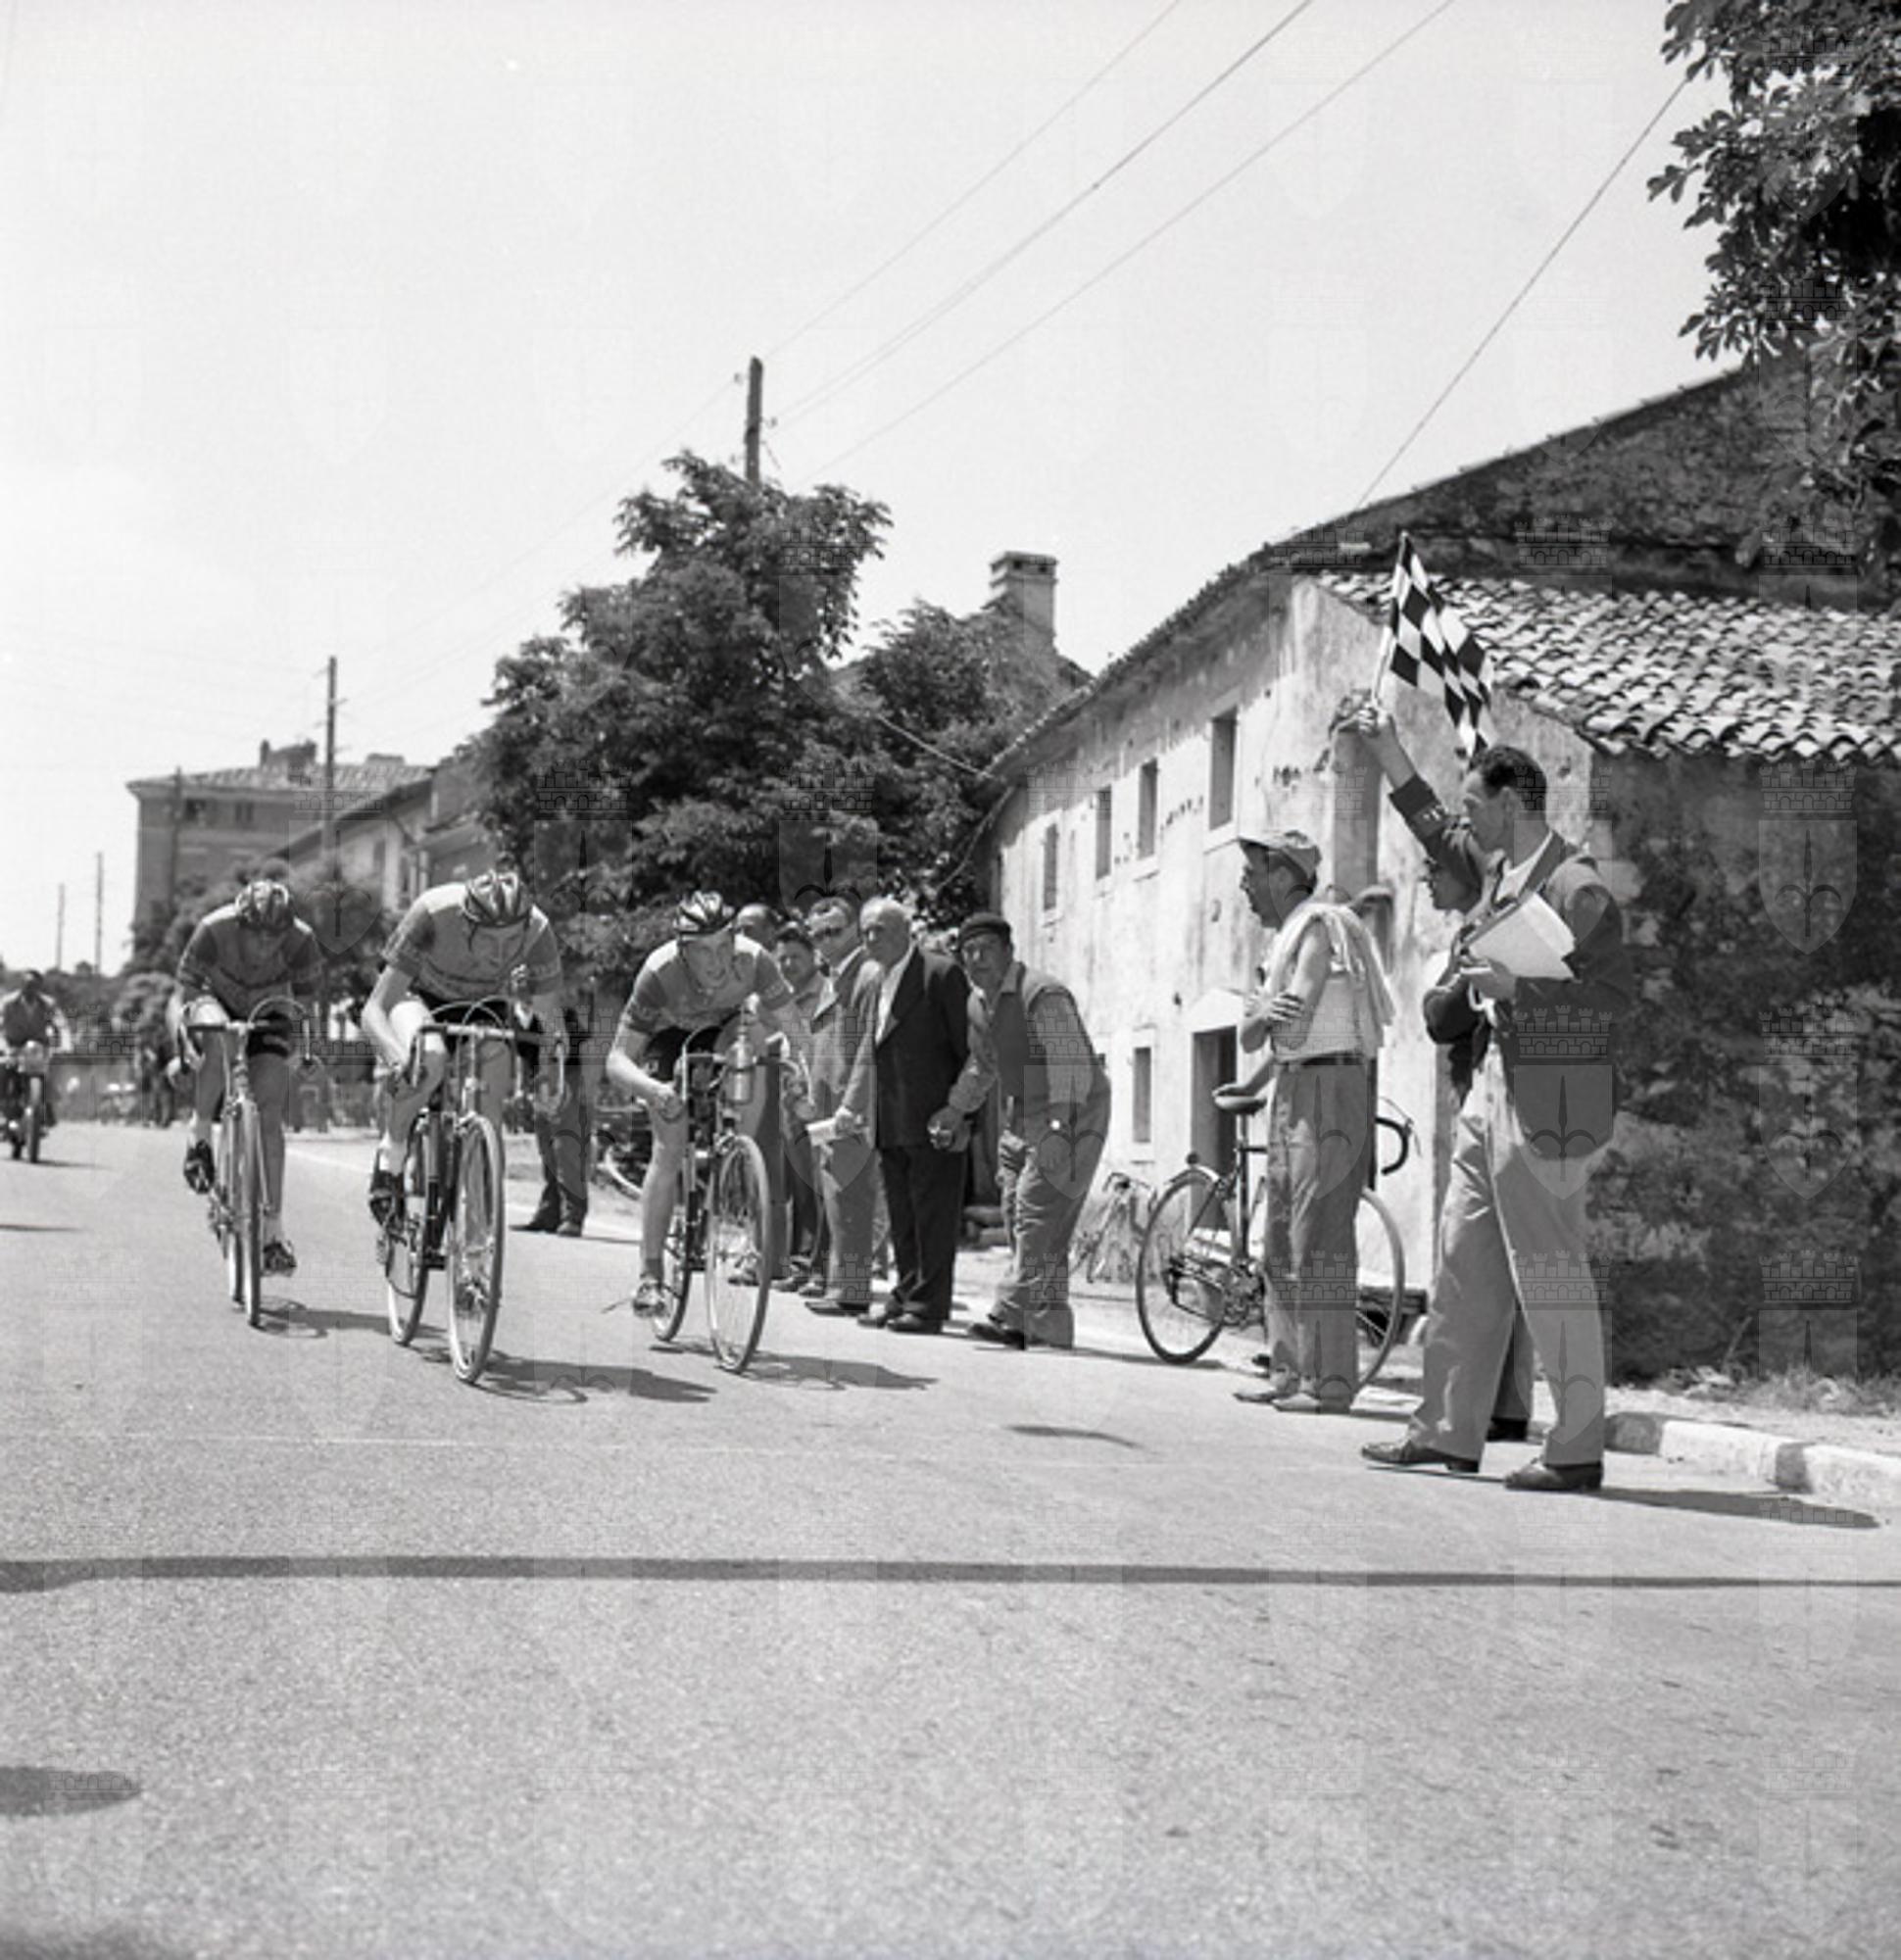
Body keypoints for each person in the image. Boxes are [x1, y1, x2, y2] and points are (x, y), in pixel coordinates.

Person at [1354, 706, 1634, 1492]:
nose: (1466, 817)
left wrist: (1520, 990)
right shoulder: (1496, 866)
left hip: (1554, 1099)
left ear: (1511, 803)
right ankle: (1446, 1431)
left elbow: (1614, 1004)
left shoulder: (1578, 887)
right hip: (1491, 1088)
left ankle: (1575, 1449)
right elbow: (1435, 829)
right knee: (1463, 1264)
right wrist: (1387, 751)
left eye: (1475, 803)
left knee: (1550, 1272)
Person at [1227, 829, 1393, 1415]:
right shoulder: (1282, 943)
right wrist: (1261, 1041)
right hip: (1293, 1087)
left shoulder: (1319, 929)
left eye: (1252, 875)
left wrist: (1266, 1017)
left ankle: (1330, 1383)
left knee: (1318, 1234)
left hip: (1330, 1087)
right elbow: (1251, 1035)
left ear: (1281, 876)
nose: (1244, 886)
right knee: (1278, 1236)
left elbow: (1290, 1025)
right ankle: (1289, 1372)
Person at [605, 891, 809, 1317]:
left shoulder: (754, 960)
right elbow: (617, 1060)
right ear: (684, 950)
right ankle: (650, 1275)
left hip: (726, 1030)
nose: (717, 962)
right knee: (669, 1147)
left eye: (723, 947)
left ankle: (739, 1152)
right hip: (668, 1037)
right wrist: (653, 1090)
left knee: (754, 1039)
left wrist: (801, 1076)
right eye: (703, 951)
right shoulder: (659, 972)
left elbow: (797, 1032)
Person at [361, 867, 566, 1228]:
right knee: (431, 1057)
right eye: (488, 941)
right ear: (467, 925)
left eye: (510, 943)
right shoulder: (432, 914)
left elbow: (551, 1022)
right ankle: (391, 1156)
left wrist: (552, 1074)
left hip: (485, 1003)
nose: (500, 954)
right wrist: (396, 1057)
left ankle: (478, 1227)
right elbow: (375, 1009)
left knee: (494, 1082)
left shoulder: (538, 930)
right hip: (418, 994)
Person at [956, 913, 1112, 1352]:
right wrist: (954, 1110)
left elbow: (1070, 1069)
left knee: (1035, 1212)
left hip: (1074, 1107)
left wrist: (1060, 1130)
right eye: (969, 951)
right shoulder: (978, 1004)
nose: (977, 958)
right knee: (1019, 1214)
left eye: (987, 949)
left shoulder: (1042, 994)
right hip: (1023, 1110)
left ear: (1009, 952)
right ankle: (1047, 1325)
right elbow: (982, 1065)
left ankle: (1009, 1310)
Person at [169, 876, 322, 1275]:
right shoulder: (213, 929)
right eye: (257, 935)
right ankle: (201, 1130)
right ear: (241, 925)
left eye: (276, 936)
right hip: (213, 1000)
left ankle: (273, 1231)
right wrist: (185, 1046)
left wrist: (307, 1049)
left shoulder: (302, 941)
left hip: (270, 1010)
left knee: (270, 1114)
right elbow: (184, 995)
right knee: (220, 1035)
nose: (266, 945)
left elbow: (306, 1006)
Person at [858, 897, 981, 1334]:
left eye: (880, 929)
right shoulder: (874, 981)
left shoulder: (940, 973)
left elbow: (973, 1050)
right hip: (890, 1119)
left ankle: (928, 1305)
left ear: (905, 930)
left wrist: (962, 1112)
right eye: (866, 931)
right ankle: (905, 1292)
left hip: (936, 1118)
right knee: (903, 1216)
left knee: (934, 1217)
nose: (872, 938)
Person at [802, 895, 882, 1318]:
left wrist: (852, 1104)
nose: (825, 942)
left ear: (854, 930)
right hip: (828, 1101)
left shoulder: (867, 975)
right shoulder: (833, 978)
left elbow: (869, 1044)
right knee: (836, 1193)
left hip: (851, 1104)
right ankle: (842, 1283)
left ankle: (850, 1288)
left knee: (849, 1196)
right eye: (817, 935)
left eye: (834, 932)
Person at [773, 920, 829, 1291]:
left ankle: (822, 1268)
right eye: (782, 959)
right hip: (790, 1099)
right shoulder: (784, 997)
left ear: (814, 956)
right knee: (799, 1186)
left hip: (817, 1099)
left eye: (796, 957)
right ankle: (800, 1264)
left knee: (822, 1184)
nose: (789, 965)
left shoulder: (827, 994)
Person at [516, 1004, 593, 1238]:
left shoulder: (561, 1003)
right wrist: (523, 1086)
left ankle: (573, 1213)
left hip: (567, 1074)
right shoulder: (518, 1010)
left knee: (565, 1146)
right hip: (541, 1077)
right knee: (546, 1146)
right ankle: (550, 1211)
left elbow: (580, 1038)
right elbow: (524, 1051)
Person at [1, 969, 67, 1135]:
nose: (30, 988)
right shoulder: (8, 1003)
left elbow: (60, 1024)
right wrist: (4, 1047)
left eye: (34, 985)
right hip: (13, 1047)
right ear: (21, 985)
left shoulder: (48, 1004)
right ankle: (3, 1112)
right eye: (27, 985)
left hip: (38, 1048)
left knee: (48, 1073)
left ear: (39, 987)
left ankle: (47, 1109)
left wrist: (61, 1044)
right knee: (3, 1071)